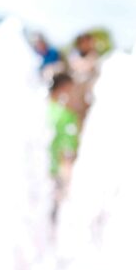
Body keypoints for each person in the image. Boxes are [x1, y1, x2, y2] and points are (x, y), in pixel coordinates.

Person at [47, 71, 80, 209]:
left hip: (50, 167)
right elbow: (68, 147)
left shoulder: (44, 108)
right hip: (56, 168)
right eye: (70, 89)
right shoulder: (64, 114)